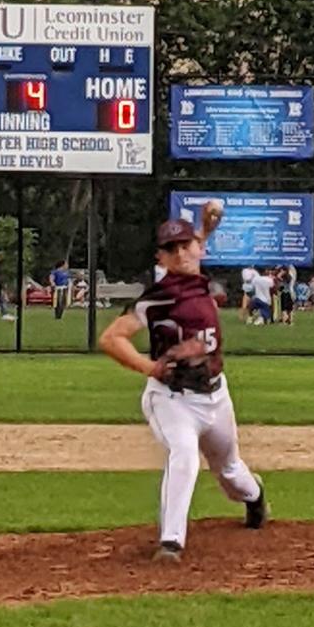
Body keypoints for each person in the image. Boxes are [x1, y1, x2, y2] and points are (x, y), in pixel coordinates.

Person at [99, 212, 268, 563]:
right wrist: (150, 368)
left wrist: (206, 227)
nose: (180, 254)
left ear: (199, 248)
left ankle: (255, 498)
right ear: (160, 258)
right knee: (185, 456)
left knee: (231, 471)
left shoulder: (202, 281)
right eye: (169, 249)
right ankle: (171, 542)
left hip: (216, 396)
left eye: (185, 245)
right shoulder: (159, 296)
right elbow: (111, 338)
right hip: (172, 399)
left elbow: (197, 251)